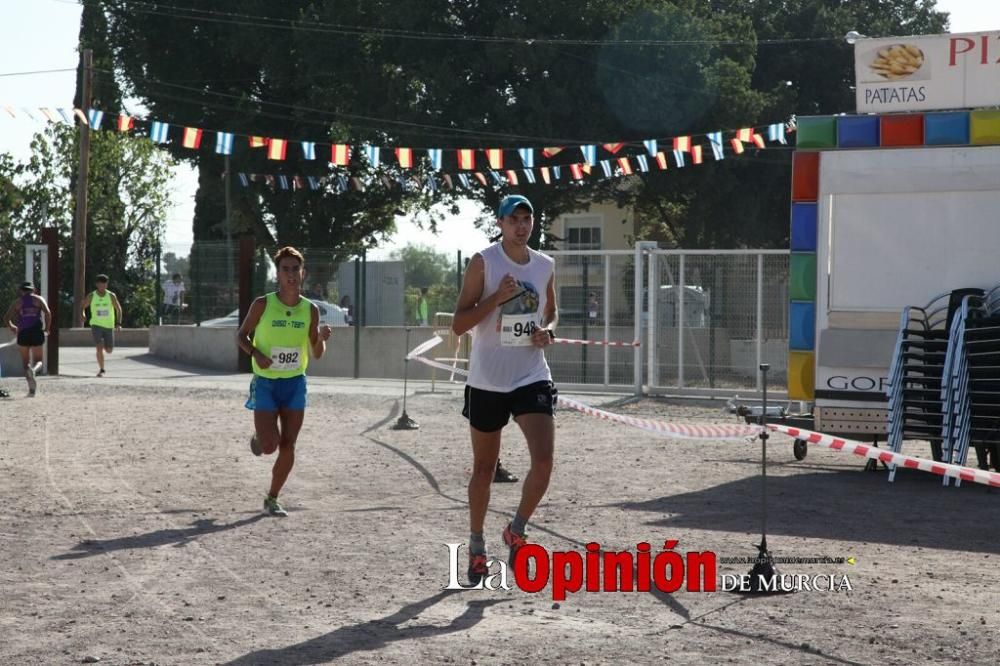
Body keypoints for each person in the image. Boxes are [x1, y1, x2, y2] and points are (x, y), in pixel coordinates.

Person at [452, 194, 557, 584]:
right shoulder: (484, 262)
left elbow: (551, 310)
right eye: (514, 219)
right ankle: (477, 546)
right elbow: (459, 324)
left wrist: (549, 331)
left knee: (544, 461)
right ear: (499, 223)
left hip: (531, 374)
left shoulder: (545, 264)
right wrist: (497, 298)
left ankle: (517, 528)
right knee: (484, 469)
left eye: (527, 218)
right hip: (487, 380)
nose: (521, 225)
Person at [237, 246, 332, 517]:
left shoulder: (310, 310)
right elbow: (241, 336)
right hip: (266, 382)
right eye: (285, 269)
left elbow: (316, 353)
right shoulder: (263, 304)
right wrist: (256, 353)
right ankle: (260, 438)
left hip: (295, 383)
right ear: (277, 274)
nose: (291, 274)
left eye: (295, 269)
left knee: (289, 444)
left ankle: (273, 497)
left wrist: (321, 339)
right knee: (270, 446)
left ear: (303, 273)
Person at [3, 281, 52, 397]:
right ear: (33, 290)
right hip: (36, 331)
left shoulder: (17, 302)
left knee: (25, 364)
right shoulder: (38, 299)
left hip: (23, 333)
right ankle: (34, 370)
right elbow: (48, 313)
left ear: (21, 291)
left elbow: (6, 318)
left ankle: (31, 389)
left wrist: (12, 327)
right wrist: (47, 328)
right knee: (39, 360)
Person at [80, 274, 123, 377]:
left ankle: (103, 345)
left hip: (109, 325)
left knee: (109, 350)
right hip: (96, 324)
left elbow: (119, 309)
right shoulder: (92, 296)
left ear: (106, 285)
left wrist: (118, 323)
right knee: (99, 347)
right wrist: (83, 314)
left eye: (104, 284)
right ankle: (102, 369)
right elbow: (82, 306)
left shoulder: (111, 296)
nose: (102, 286)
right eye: (100, 284)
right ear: (97, 285)